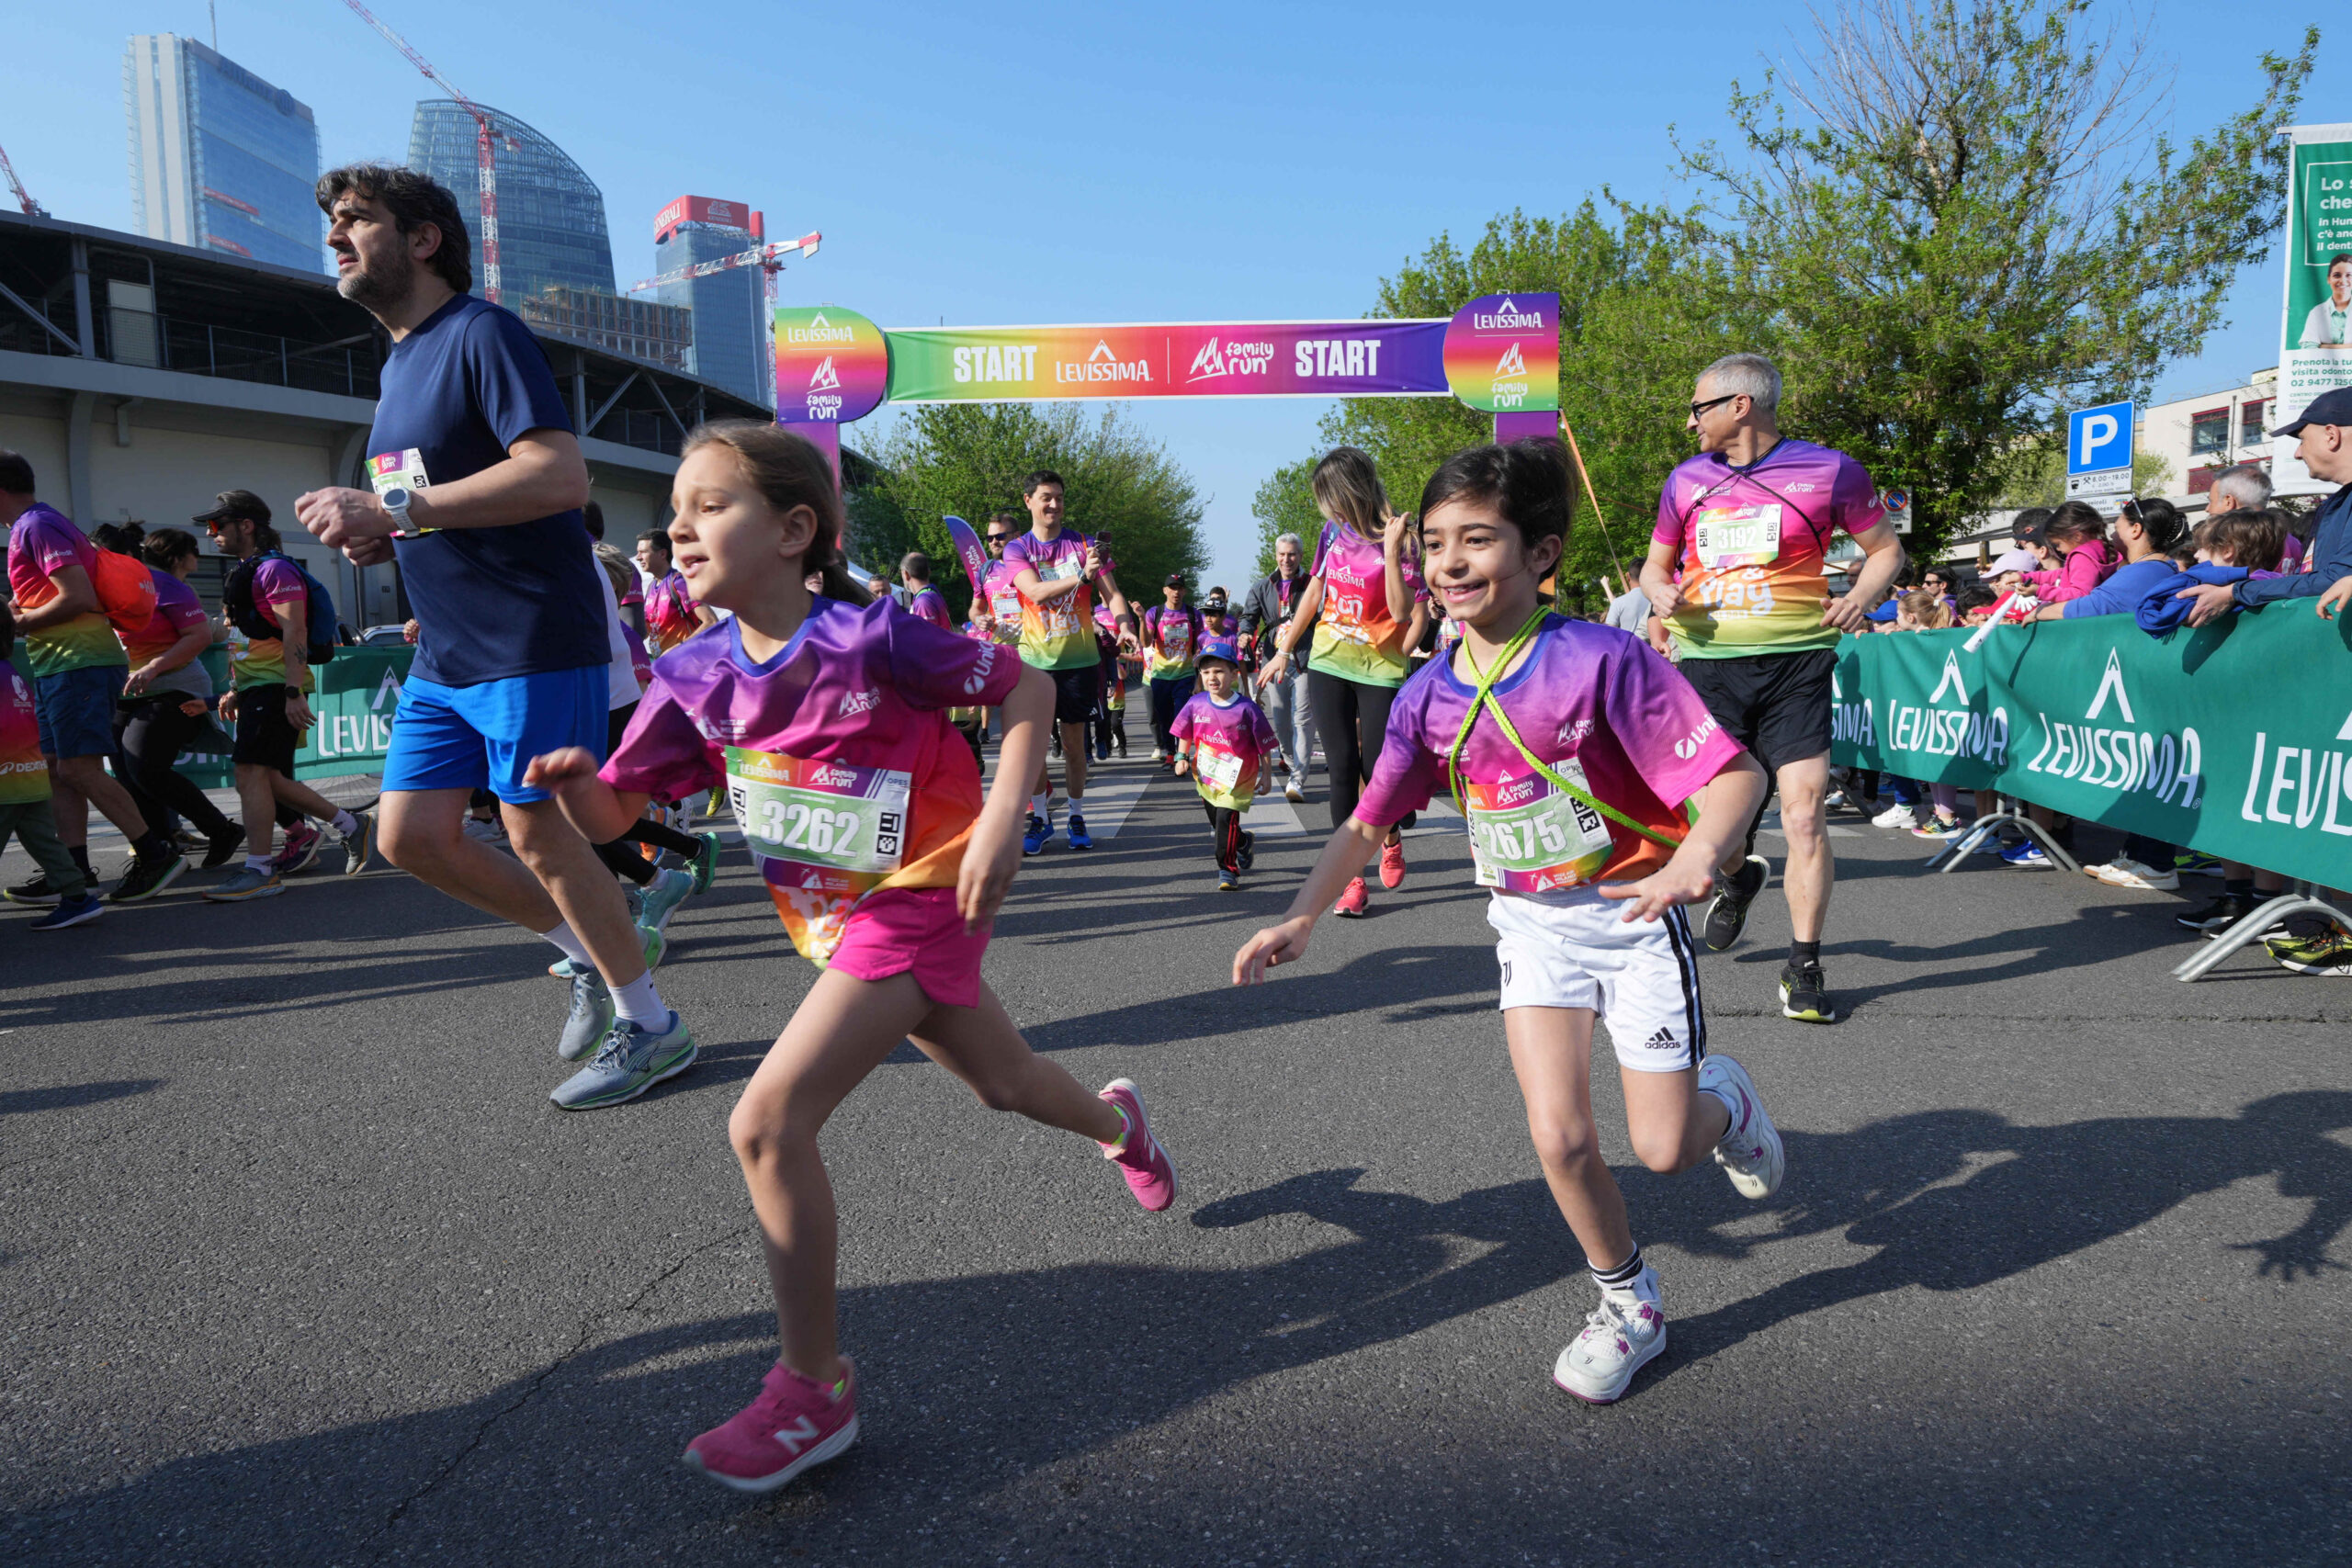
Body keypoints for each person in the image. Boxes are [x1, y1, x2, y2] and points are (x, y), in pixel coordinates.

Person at [522, 420, 1177, 1493]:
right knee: (1003, 1081)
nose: (679, 529)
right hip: (833, 920)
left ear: (794, 531)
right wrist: (572, 786)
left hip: (928, 892)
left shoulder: (876, 639)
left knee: (765, 1124)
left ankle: (812, 1390)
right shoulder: (690, 674)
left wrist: (1005, 818)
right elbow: (619, 813)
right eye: (675, 511)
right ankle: (1119, 1127)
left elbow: (1026, 690)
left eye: (709, 506)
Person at [1232, 439, 1781, 1406]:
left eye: (1478, 539)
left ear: (1541, 552)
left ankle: (1726, 1103)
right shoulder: (1424, 698)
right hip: (1530, 926)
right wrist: (1300, 917)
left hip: (1634, 915)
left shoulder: (1602, 660)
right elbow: (1365, 823)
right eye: (1437, 542)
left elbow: (1737, 774)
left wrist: (1698, 855)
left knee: (1662, 1149)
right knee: (1559, 1139)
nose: (1450, 562)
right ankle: (1629, 1302)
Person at [292, 162, 692, 1104]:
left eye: (356, 219)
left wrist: (395, 511)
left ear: (423, 238)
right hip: (446, 650)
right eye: (332, 223)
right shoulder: (398, 364)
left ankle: (652, 1026)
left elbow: (558, 477)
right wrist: (386, 533)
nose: (335, 237)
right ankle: (590, 946)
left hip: (527, 635)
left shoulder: (482, 332)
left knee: (536, 830)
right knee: (411, 837)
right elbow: (433, 504)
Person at [1639, 353, 1904, 1024]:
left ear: (1740, 406)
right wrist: (1659, 591)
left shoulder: (1831, 470)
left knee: (1804, 814)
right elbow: (1653, 567)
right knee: (1719, 830)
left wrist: (1861, 598)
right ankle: (1738, 876)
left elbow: (1886, 550)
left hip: (1796, 664)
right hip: (1709, 669)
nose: (1689, 422)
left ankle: (1804, 965)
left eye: (1697, 408)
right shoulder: (1686, 480)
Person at [0, 451, 185, 905]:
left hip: (79, 661)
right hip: (60, 661)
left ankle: (156, 854)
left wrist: (18, 624)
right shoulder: (37, 524)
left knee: (77, 768)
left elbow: (78, 596)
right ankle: (73, 872)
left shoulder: (36, 525)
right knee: (56, 769)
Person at [1255, 447, 1428, 918]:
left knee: (1377, 769)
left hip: (1381, 669)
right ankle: (1353, 880)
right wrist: (1285, 649)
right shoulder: (1332, 532)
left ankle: (1390, 834)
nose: (1325, 507)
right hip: (1329, 662)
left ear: (1349, 491)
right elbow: (1315, 589)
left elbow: (1401, 612)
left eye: (1328, 496)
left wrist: (1390, 551)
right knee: (1342, 769)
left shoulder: (1404, 539)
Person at [199, 495, 373, 899]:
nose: (211, 534)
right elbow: (246, 638)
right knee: (268, 779)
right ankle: (351, 825)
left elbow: (295, 630)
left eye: (218, 525)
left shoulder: (275, 570)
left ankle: (260, 870)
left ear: (246, 526)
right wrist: (235, 688)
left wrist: (293, 692)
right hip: (257, 686)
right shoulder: (246, 571)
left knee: (250, 774)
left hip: (278, 685)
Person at [1001, 469, 1137, 855]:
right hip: (1035, 664)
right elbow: (1035, 592)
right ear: (1028, 501)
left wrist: (1124, 625)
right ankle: (1041, 818)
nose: (1054, 505)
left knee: (1075, 746)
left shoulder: (1084, 544)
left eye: (1059, 498)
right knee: (1033, 748)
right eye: (1046, 497)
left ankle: (1076, 816)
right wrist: (1081, 575)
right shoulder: (1017, 549)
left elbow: (1112, 594)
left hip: (1078, 662)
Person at [106, 525, 245, 870]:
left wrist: (153, 667)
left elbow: (200, 635)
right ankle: (160, 850)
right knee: (127, 774)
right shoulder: (102, 585)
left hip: (175, 687)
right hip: (127, 691)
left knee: (144, 767)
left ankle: (221, 830)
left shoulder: (165, 584)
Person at [2180, 389, 2352, 630]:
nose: (2298, 453)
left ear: (2331, 436)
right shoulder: (2337, 503)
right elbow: (2316, 579)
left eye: (2302, 440)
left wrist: (2235, 592)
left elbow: (2335, 579)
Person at [0, 601, 103, 928]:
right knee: (46, 844)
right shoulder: (10, 671)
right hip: (29, 775)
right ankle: (77, 897)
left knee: (45, 843)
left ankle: (77, 898)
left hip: (5, 779)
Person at [1170, 632, 1277, 891]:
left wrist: (1266, 775)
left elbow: (1264, 745)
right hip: (1207, 776)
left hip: (1238, 778)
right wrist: (1181, 757)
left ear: (1234, 675)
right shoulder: (1195, 703)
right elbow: (1185, 733)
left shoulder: (1247, 708)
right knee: (1218, 823)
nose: (1212, 677)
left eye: (1219, 671)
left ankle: (1227, 869)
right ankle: (1243, 842)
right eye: (1206, 672)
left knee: (1224, 822)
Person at [1238, 531, 1316, 802]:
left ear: (1300, 556)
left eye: (1292, 554)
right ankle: (1292, 764)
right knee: (1281, 722)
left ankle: (1298, 780)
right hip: (1273, 662)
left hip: (1305, 661)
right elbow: (1249, 617)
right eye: (1282, 554)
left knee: (1302, 720)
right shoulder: (1262, 587)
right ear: (1276, 556)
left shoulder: (1313, 585)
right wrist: (1244, 633)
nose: (1287, 559)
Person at [1143, 574, 1204, 765]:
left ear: (1184, 591)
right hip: (1160, 675)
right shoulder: (1155, 613)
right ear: (1165, 590)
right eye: (1172, 588)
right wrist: (1140, 619)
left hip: (1185, 674)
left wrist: (1201, 672)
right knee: (1164, 717)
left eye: (1179, 588)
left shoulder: (1193, 614)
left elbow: (1201, 643)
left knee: (1182, 716)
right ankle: (1170, 752)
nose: (1176, 592)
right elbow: (1145, 642)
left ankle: (1181, 754)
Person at [641, 529, 717, 654]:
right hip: (664, 663)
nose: (638, 557)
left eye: (643, 552)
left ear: (662, 554)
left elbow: (711, 621)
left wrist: (677, 649)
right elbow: (647, 630)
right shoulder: (650, 587)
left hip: (687, 661)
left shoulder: (678, 582)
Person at [2297, 254, 2352, 349]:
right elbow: (2308, 348)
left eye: (2349, 275)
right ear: (2328, 279)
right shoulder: (2317, 312)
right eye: (2337, 275)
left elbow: (2316, 347)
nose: (2343, 280)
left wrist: (2322, 346)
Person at [899, 552, 952, 630]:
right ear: (929, 572)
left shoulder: (923, 602)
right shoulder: (932, 595)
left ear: (906, 574)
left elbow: (927, 636)